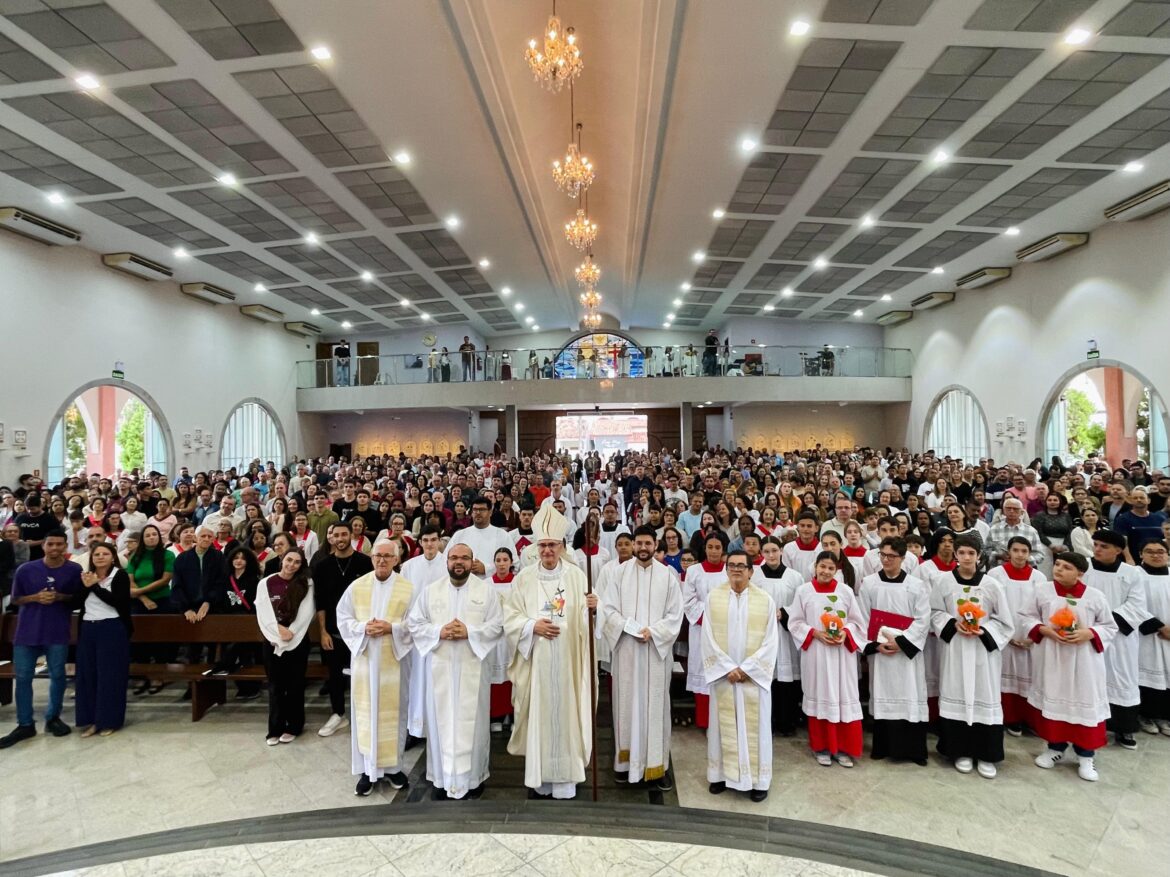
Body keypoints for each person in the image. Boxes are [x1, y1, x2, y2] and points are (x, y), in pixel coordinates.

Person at [502, 503, 598, 799]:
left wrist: (593, 609)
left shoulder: (576, 576)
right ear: (536, 548)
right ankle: (540, 779)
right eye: (542, 545)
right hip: (537, 663)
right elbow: (510, 617)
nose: (547, 550)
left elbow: (586, 619)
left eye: (552, 545)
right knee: (540, 717)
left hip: (568, 660)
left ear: (562, 546)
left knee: (567, 715)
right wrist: (533, 626)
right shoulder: (524, 578)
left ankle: (567, 779)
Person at [406, 541, 504, 799]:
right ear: (446, 562)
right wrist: (439, 631)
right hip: (440, 668)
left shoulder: (486, 591)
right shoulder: (431, 592)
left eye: (464, 558)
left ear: (472, 562)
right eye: (454, 558)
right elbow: (415, 624)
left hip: (474, 668)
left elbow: (497, 625)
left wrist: (469, 632)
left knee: (475, 726)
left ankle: (473, 779)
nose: (459, 562)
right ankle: (442, 780)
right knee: (441, 724)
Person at [599, 525, 684, 789]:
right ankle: (625, 764)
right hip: (626, 650)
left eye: (648, 543)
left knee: (657, 708)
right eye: (639, 543)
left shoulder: (668, 576)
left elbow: (675, 614)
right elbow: (607, 609)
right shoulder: (619, 573)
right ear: (634, 544)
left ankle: (658, 766)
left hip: (655, 653)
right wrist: (627, 628)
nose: (643, 548)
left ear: (655, 544)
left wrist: (653, 632)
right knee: (626, 706)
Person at [1025, 551, 1118, 782]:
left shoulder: (1094, 596)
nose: (1059, 569)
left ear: (1080, 573)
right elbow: (1026, 617)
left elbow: (1109, 626)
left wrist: (1089, 633)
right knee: (1054, 700)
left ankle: (1086, 756)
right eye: (1057, 564)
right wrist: (1044, 630)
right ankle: (1055, 748)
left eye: (1067, 567)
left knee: (1083, 703)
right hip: (1053, 657)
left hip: (1084, 660)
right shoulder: (1042, 591)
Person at [930, 535, 1015, 778]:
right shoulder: (943, 581)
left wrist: (984, 631)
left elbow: (1005, 621)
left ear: (979, 556)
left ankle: (986, 754)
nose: (966, 557)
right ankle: (960, 751)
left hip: (982, 651)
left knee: (983, 694)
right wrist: (952, 624)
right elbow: (934, 611)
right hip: (955, 648)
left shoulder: (991, 585)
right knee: (956, 692)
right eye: (962, 553)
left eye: (971, 553)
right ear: (955, 555)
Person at [337, 537, 415, 795]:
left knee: (394, 712)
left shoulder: (408, 589)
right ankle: (366, 771)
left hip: (395, 661)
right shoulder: (357, 586)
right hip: (366, 660)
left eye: (387, 556)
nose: (382, 560)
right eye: (378, 555)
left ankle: (393, 768)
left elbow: (416, 623)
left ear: (396, 559)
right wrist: (363, 628)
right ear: (371, 558)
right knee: (366, 712)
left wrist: (391, 628)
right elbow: (343, 618)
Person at [702, 548, 778, 801]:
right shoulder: (713, 598)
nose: (736, 569)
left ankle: (758, 781)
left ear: (751, 571)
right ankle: (720, 776)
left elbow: (771, 641)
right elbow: (708, 638)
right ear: (726, 570)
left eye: (741, 566)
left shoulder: (765, 600)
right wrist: (727, 668)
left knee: (756, 730)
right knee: (722, 727)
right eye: (731, 565)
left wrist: (746, 669)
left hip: (752, 678)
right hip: (724, 677)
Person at [0, 530, 82, 748]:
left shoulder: (74, 570)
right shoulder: (26, 569)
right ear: (43, 546)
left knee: (58, 675)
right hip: (27, 632)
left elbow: (78, 599)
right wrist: (35, 597)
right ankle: (25, 723)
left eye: (59, 544)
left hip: (57, 631)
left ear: (65, 546)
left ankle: (53, 717)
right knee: (23, 678)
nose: (55, 548)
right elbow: (15, 599)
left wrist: (60, 596)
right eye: (50, 544)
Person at [787, 551, 865, 767]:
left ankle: (843, 748)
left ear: (836, 570)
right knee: (819, 694)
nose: (826, 571)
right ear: (815, 567)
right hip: (816, 653)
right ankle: (821, 747)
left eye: (831, 568)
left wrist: (845, 633)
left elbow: (858, 622)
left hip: (841, 655)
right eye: (822, 566)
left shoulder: (845, 591)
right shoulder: (804, 591)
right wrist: (815, 633)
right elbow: (795, 622)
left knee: (843, 695)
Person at [858, 536, 931, 765]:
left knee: (910, 694)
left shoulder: (916, 585)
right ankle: (883, 747)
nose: (886, 560)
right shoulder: (869, 583)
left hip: (906, 653)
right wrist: (876, 645)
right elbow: (862, 617)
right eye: (883, 555)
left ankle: (913, 750)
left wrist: (902, 642)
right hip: (882, 653)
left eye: (892, 556)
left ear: (903, 558)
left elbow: (923, 619)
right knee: (883, 694)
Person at [1084, 529, 1149, 750]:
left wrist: (1108, 624)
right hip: (1088, 632)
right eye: (1096, 545)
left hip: (1120, 637)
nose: (1098, 549)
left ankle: (1124, 727)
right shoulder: (1084, 567)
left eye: (1104, 546)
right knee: (1090, 678)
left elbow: (1137, 604)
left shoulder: (1132, 573)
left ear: (1119, 550)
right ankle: (1090, 725)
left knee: (1122, 678)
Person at [312, 520, 373, 737]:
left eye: (343, 534)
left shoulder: (365, 562)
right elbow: (320, 601)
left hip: (360, 632)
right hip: (333, 632)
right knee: (335, 676)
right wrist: (323, 632)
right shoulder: (322, 566)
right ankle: (338, 714)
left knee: (363, 675)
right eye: (335, 535)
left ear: (351, 536)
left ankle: (365, 715)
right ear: (330, 538)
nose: (339, 539)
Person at [986, 536, 1046, 735]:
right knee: (1004, 675)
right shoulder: (995, 574)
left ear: (1029, 554)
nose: (1020, 555)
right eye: (1016, 550)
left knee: (1030, 675)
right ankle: (1010, 718)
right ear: (1008, 552)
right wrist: (1003, 634)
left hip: (1029, 637)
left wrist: (1033, 635)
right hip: (1004, 636)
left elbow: (1043, 608)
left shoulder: (1039, 578)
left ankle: (1030, 718)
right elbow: (990, 606)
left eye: (1024, 551)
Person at [256, 548, 315, 746]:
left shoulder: (306, 583)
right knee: (275, 686)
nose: (292, 565)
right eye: (289, 560)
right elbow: (263, 613)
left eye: (297, 562)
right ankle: (275, 728)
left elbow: (307, 612)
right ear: (282, 559)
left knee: (295, 685)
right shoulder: (266, 583)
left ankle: (294, 726)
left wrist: (291, 632)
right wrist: (277, 632)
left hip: (297, 639)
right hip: (272, 640)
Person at [74, 542, 132, 737]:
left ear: (113, 557)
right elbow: (76, 602)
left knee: (110, 675)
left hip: (112, 627)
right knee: (88, 675)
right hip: (88, 627)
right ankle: (91, 721)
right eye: (96, 554)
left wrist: (95, 586)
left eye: (105, 554)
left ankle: (109, 720)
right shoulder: (86, 576)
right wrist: (86, 586)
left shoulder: (119, 575)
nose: (100, 557)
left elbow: (119, 602)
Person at [757, 536, 804, 736]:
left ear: (781, 551)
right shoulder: (755, 576)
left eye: (774, 550)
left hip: (786, 633)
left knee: (786, 678)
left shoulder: (795, 577)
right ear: (761, 553)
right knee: (766, 677)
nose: (771, 555)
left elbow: (800, 604)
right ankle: (766, 722)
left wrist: (784, 612)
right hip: (763, 634)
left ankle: (787, 722)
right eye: (766, 551)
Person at [681, 531, 727, 728]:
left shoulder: (729, 570)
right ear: (704, 548)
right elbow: (688, 601)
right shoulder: (694, 571)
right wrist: (709, 616)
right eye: (710, 547)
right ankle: (705, 721)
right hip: (701, 629)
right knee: (703, 669)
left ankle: (722, 722)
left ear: (723, 549)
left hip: (725, 629)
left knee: (723, 672)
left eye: (717, 547)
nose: (714, 551)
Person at [1137, 539, 1170, 735]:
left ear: (1167, 554)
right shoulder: (1135, 575)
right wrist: (1160, 627)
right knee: (1148, 675)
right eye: (1149, 551)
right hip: (1147, 635)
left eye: (1160, 551)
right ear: (1141, 554)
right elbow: (1131, 604)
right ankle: (1146, 715)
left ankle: (1165, 716)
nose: (1156, 555)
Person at [446, 497, 513, 577]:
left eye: (482, 509)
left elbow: (512, 565)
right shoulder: (460, 535)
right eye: (475, 509)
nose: (478, 512)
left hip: (492, 582)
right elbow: (446, 560)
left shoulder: (502, 535)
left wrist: (486, 569)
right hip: (464, 581)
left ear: (490, 512)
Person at [488, 546, 516, 732]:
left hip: (512, 636)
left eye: (505, 560)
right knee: (495, 676)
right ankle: (496, 715)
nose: (502, 564)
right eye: (498, 560)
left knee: (513, 675)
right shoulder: (486, 584)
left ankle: (513, 714)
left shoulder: (518, 582)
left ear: (511, 562)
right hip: (494, 637)